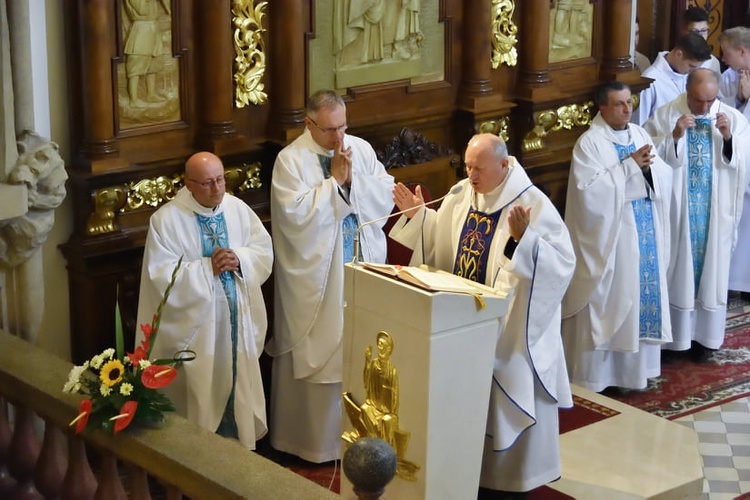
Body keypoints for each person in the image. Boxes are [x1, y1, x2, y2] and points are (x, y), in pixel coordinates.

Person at [389, 133, 576, 495]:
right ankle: (468, 473)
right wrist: (420, 218)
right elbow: (443, 243)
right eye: (468, 166)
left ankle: (514, 478)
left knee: (506, 388)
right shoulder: (461, 195)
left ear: (504, 165)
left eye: (479, 169)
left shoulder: (530, 203)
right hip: (463, 325)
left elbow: (562, 263)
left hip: (509, 331)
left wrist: (525, 242)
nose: (471, 176)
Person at [267, 89, 394, 463]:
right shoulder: (290, 161)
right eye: (329, 130)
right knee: (324, 346)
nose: (339, 138)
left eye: (343, 126)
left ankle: (363, 440)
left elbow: (384, 193)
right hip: (318, 279)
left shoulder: (361, 148)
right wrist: (335, 182)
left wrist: (355, 182)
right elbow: (293, 218)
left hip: (360, 263)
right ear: (308, 124)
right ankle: (314, 445)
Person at [136, 151, 273, 449]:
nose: (218, 189)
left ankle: (240, 451)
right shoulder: (166, 221)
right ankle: (198, 458)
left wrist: (240, 258)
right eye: (208, 183)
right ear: (188, 184)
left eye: (221, 179)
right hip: (198, 330)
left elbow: (263, 250)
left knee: (236, 384)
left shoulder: (237, 209)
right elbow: (159, 276)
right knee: (200, 395)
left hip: (236, 319)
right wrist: (205, 268)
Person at [562, 82, 673, 392]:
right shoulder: (589, 143)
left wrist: (648, 171)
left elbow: (662, 173)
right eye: (620, 104)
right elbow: (589, 194)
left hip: (643, 230)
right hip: (614, 238)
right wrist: (630, 167)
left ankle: (632, 375)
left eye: (629, 103)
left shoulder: (639, 134)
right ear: (603, 108)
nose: (628, 110)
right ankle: (598, 378)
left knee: (638, 295)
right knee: (612, 297)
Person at [644, 68, 750, 361]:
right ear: (687, 92)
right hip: (680, 213)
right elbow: (651, 159)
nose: (705, 108)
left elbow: (741, 163)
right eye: (699, 101)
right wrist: (675, 136)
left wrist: (729, 139)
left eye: (710, 100)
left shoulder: (732, 118)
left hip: (714, 213)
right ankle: (676, 340)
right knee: (678, 270)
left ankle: (706, 339)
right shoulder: (666, 115)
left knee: (712, 271)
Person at [719, 27, 750, 298]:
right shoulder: (729, 77)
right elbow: (723, 110)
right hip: (739, 157)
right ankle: (733, 283)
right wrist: (740, 99)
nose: (724, 58)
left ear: (742, 51)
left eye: (727, 53)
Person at [632, 33, 711, 125]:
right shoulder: (650, 79)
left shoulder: (690, 76)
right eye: (691, 66)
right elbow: (639, 123)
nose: (693, 70)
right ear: (679, 54)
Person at [683, 5, 722, 75]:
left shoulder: (712, 62)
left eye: (704, 30)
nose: (700, 36)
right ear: (684, 31)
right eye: (695, 31)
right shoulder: (679, 58)